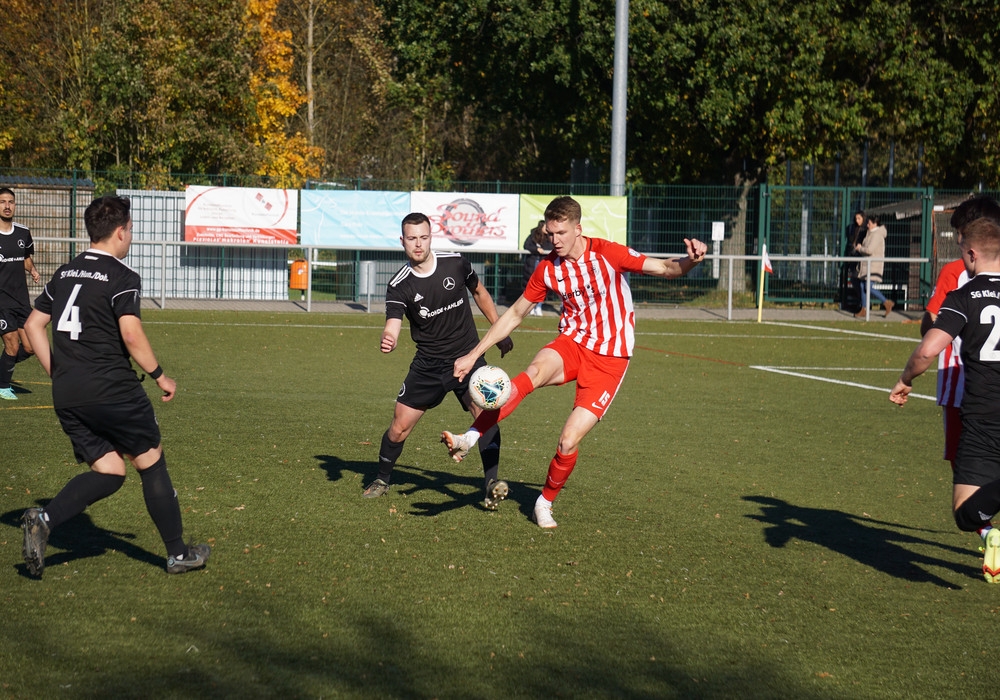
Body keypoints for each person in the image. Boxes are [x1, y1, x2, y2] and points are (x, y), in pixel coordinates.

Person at [440, 196, 707, 528]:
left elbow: (667, 268)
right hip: (572, 343)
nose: (555, 241)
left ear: (578, 228)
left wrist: (691, 260)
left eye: (561, 233)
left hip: (611, 357)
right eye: (550, 234)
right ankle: (470, 437)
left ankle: (544, 502)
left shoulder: (609, 253)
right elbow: (516, 314)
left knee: (568, 440)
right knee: (533, 372)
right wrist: (473, 353)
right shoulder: (548, 268)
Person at [21, 194, 210, 578]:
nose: (131, 238)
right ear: (120, 232)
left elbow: (31, 325)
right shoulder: (123, 277)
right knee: (150, 458)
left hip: (68, 393)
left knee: (109, 470)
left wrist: (57, 372)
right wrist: (160, 375)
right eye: (131, 231)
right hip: (113, 390)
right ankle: (177, 554)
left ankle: (44, 518)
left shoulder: (65, 272)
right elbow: (131, 333)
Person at [362, 212, 515, 509]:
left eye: (423, 237)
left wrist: (499, 330)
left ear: (431, 237)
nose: (418, 244)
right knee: (399, 427)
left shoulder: (455, 262)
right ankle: (382, 478)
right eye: (411, 238)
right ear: (402, 241)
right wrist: (389, 338)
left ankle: (491, 483)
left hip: (468, 359)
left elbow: (480, 293)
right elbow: (392, 322)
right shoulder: (400, 284)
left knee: (486, 414)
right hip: (428, 365)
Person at [890, 216, 1000, 583]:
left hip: (983, 418)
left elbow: (928, 350)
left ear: (971, 254)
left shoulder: (964, 296)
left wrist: (906, 379)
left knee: (966, 514)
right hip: (985, 418)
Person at [918, 195, 1000, 542]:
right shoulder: (965, 266)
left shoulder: (958, 273)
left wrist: (908, 375)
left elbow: (931, 325)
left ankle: (985, 531)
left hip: (963, 381)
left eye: (958, 236)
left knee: (963, 459)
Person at [0, 187, 41, 400]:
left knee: (31, 347)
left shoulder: (23, 232)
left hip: (21, 300)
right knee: (12, 344)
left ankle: (1, 371)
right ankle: (3, 386)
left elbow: (25, 257)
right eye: (3, 202)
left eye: (11, 202)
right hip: (1, 301)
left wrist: (32, 269)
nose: (7, 206)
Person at [854, 214, 893, 318]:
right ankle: (864, 309)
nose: (867, 225)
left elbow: (869, 250)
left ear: (875, 223)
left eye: (869, 223)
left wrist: (859, 248)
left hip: (873, 266)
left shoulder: (876, 235)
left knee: (867, 286)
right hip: (867, 265)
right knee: (863, 286)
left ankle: (886, 302)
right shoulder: (870, 233)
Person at [523, 220, 552, 316]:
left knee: (542, 287)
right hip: (532, 264)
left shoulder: (549, 237)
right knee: (530, 285)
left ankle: (538, 306)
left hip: (543, 264)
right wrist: (536, 249)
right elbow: (526, 245)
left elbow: (551, 248)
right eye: (545, 227)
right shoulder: (533, 236)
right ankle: (529, 308)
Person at [840, 210, 867, 312]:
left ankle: (864, 303)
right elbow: (851, 240)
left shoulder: (865, 230)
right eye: (856, 219)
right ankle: (861, 301)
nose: (857, 220)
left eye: (859, 218)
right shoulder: (853, 228)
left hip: (861, 257)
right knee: (854, 280)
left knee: (861, 282)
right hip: (853, 256)